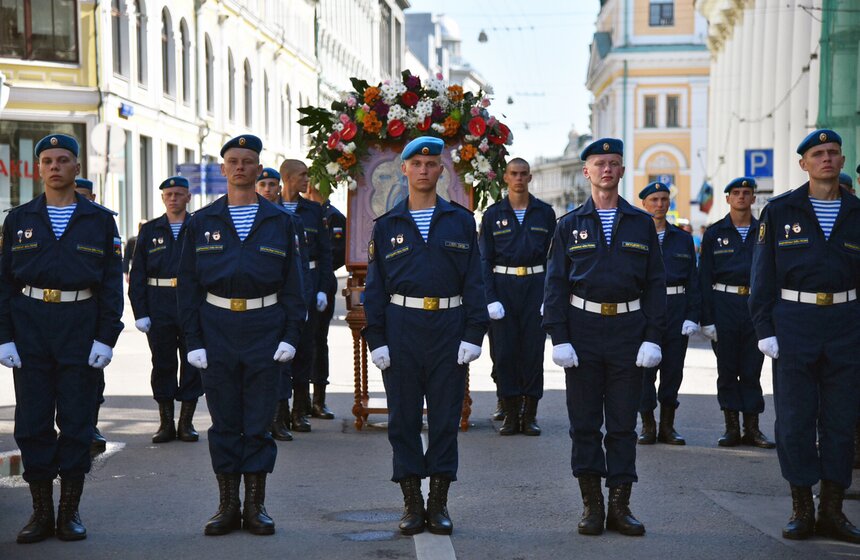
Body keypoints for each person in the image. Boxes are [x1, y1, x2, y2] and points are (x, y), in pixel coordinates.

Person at [178, 135, 305, 536]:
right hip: (217, 329)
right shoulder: (202, 222)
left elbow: (294, 286)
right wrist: (194, 340)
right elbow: (188, 288)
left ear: (258, 167)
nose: (240, 167)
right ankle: (227, 505)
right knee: (224, 421)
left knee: (259, 421)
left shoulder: (281, 222)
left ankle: (256, 506)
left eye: (248, 161)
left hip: (264, 328)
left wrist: (290, 335)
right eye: (232, 161)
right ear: (222, 170)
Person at [1, 133, 123, 543]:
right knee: (33, 422)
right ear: (38, 169)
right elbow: (3, 283)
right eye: (47, 160)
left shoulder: (100, 220)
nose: (55, 166)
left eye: (63, 159)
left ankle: (69, 512)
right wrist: (3, 337)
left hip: (80, 324)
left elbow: (110, 285)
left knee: (76, 421)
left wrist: (107, 337)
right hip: (30, 325)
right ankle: (40, 513)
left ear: (76, 167)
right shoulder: (18, 219)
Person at [363, 136, 488, 536]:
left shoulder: (461, 221)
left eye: (431, 163)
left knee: (446, 418)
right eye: (415, 163)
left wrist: (473, 332)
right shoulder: (386, 226)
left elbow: (474, 282)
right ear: (404, 170)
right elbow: (375, 289)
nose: (423, 169)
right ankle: (412, 502)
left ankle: (439, 502)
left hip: (448, 331)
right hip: (402, 329)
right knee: (402, 420)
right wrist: (376, 338)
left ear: (441, 171)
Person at [543, 138, 666, 537]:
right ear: (587, 172)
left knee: (622, 425)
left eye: (614, 163)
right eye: (600, 164)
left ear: (623, 171)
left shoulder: (640, 223)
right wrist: (558, 337)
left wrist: (653, 336)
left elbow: (655, 284)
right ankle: (592, 506)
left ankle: (620, 506)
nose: (607, 170)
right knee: (584, 424)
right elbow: (555, 285)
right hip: (583, 332)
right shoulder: (569, 224)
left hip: (628, 333)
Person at [751, 129, 860, 543]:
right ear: (804, 164)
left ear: (842, 161)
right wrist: (765, 329)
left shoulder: (856, 211)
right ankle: (801, 506)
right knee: (795, 420)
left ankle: (832, 510)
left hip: (846, 324)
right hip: (794, 323)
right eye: (818, 153)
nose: (826, 159)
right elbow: (762, 276)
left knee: (840, 420)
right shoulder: (780, 211)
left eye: (833, 152)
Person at [478, 157, 555, 436]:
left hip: (535, 286)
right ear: (505, 178)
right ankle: (510, 413)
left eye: (524, 174)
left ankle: (530, 414)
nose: (519, 178)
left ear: (530, 177)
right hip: (504, 287)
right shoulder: (492, 214)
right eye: (514, 173)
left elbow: (553, 260)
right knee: (505, 352)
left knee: (533, 352)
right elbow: (484, 259)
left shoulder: (544, 213)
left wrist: (550, 296)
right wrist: (490, 298)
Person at [699, 177, 775, 449]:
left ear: (754, 198)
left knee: (753, 369)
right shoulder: (714, 233)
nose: (742, 197)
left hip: (755, 306)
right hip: (725, 306)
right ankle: (731, 428)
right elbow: (704, 278)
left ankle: (752, 428)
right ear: (728, 198)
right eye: (736, 193)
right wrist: (706, 319)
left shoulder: (765, 231)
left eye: (747, 193)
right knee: (728, 369)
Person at [129, 176, 203, 444]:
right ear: (162, 198)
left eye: (178, 194)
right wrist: (141, 312)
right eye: (169, 194)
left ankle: (186, 423)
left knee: (193, 362)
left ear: (188, 197)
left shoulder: (199, 227)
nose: (173, 198)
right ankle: (166, 423)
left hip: (190, 302)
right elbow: (137, 274)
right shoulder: (150, 230)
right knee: (163, 363)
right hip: (159, 303)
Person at [636, 182, 700, 446]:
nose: (660, 204)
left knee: (673, 369)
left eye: (664, 199)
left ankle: (668, 425)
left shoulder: (683, 239)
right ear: (644, 203)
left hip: (675, 306)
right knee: (644, 371)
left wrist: (692, 315)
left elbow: (694, 281)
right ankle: (648, 424)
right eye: (654, 199)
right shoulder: (636, 236)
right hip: (644, 308)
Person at [255, 167, 311, 442]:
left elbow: (300, 268)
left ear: (279, 188)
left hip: (280, 302)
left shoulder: (290, 220)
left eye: (272, 184)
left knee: (282, 363)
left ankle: (280, 417)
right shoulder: (244, 219)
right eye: (262, 183)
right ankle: (260, 418)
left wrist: (302, 302)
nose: (267, 188)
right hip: (254, 303)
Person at [279, 159, 333, 431]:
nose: (307, 181)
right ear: (287, 178)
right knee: (278, 347)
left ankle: (299, 410)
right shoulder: (268, 209)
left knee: (305, 345)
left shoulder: (313, 211)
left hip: (309, 281)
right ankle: (279, 411)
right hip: (279, 285)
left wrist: (323, 288)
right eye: (302, 175)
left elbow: (325, 254)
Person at [305, 183, 347, 419]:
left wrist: (320, 271)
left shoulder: (333, 217)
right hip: (300, 281)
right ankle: (295, 401)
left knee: (318, 340)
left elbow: (338, 252)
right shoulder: (300, 213)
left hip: (322, 282)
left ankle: (318, 399)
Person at [75, 177, 108, 454]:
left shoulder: (101, 222)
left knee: (93, 375)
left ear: (93, 196)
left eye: (84, 195)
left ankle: (91, 424)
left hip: (92, 310)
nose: (80, 199)